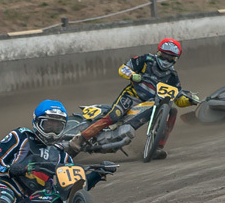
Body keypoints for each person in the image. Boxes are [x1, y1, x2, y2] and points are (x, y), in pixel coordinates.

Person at [67, 39, 196, 159]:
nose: (166, 59)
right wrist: (133, 75)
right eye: (164, 56)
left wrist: (190, 100)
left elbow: (178, 98)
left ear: (175, 60)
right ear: (158, 52)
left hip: (150, 104)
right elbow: (123, 68)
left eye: (170, 58)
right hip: (131, 96)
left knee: (172, 111)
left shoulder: (173, 77)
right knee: (113, 116)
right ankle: (81, 139)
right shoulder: (146, 60)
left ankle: (157, 147)